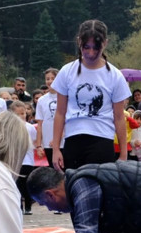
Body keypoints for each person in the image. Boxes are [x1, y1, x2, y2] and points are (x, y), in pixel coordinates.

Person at [51, 20, 130, 172]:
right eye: (86, 47)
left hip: (102, 140)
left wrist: (124, 155)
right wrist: (56, 149)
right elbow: (60, 113)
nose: (91, 53)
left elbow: (119, 117)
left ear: (105, 44)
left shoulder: (115, 76)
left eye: (96, 48)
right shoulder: (67, 71)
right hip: (73, 139)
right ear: (79, 41)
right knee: (73, 189)